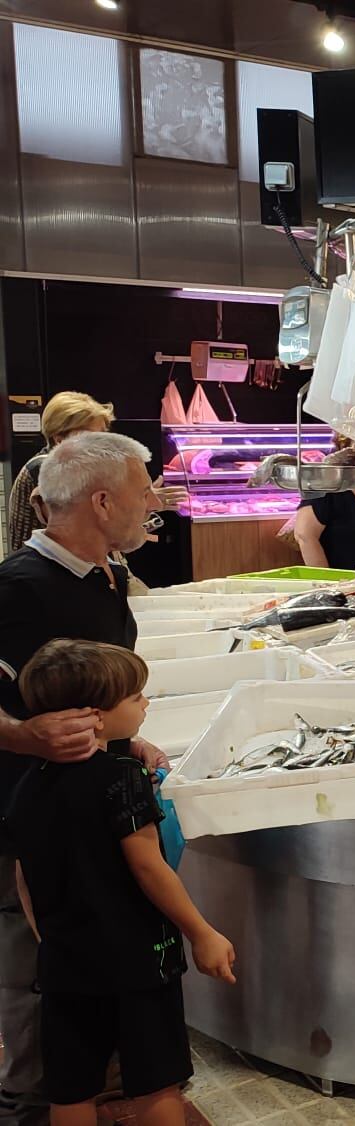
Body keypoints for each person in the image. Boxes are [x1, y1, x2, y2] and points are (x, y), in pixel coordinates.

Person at [0, 432, 172, 1126]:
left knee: (87, 966)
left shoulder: (105, 573)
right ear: (102, 502)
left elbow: (93, 688)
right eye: (143, 491)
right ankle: (26, 1105)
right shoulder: (18, 586)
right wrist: (19, 734)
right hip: (27, 817)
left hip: (91, 809)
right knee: (34, 967)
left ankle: (90, 1092)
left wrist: (128, 738)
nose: (154, 502)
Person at [4, 641, 235, 1126]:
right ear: (97, 718)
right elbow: (149, 867)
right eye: (136, 697)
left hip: (65, 962)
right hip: (137, 961)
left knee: (72, 1087)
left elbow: (23, 875)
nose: (146, 704)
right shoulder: (123, 778)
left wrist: (49, 939)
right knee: (156, 1082)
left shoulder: (28, 784)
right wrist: (202, 933)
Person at [6, 394, 184, 559]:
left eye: (103, 434)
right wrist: (139, 503)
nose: (103, 443)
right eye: (91, 436)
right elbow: (87, 533)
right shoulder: (51, 469)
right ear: (59, 439)